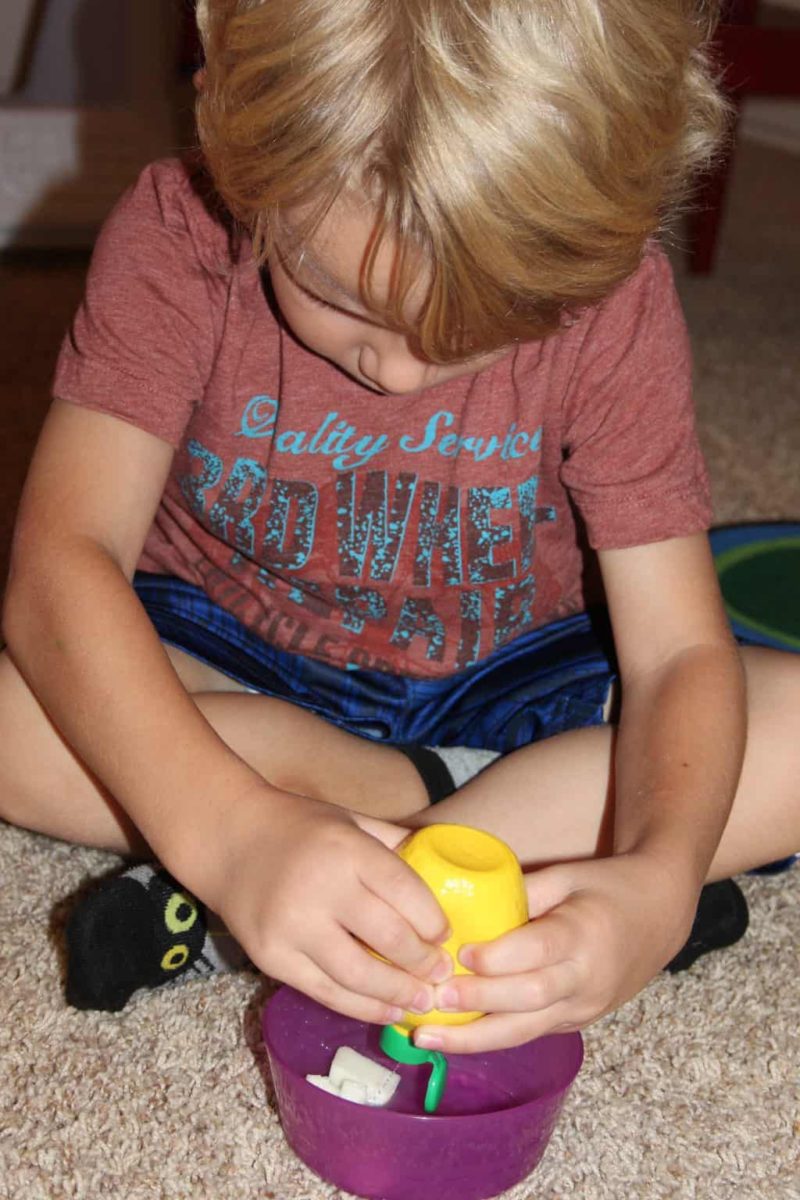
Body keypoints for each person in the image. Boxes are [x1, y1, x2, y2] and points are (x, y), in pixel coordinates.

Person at [1, 0, 798, 1051]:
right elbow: (61, 566)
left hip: (508, 675)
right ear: (227, 125)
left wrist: (651, 883)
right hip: (228, 657)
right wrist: (231, 835)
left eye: (476, 329)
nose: (399, 370)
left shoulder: (614, 294)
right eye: (343, 301)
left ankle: (354, 848)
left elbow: (679, 653)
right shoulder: (177, 233)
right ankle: (458, 851)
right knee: (20, 718)